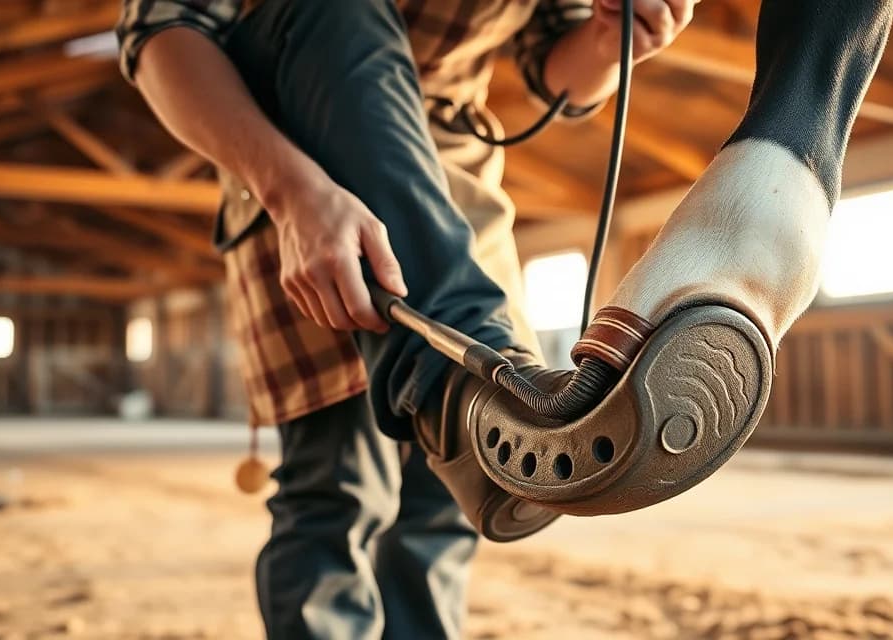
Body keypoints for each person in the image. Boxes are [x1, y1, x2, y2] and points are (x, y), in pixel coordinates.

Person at [115, 0, 694, 637]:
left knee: (447, 504)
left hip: (449, 181)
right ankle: (474, 387)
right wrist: (290, 191)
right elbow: (160, 30)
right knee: (337, 489)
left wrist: (613, 37)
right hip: (301, 161)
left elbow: (555, 71)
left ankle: (471, 394)